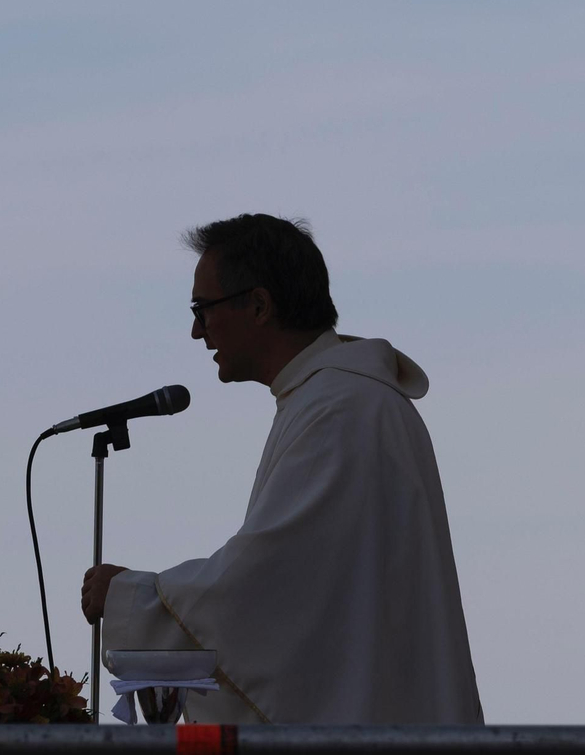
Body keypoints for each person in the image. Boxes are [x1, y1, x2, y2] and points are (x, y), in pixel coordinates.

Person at [81, 213, 481, 724]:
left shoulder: (341, 407)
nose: (196, 331)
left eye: (202, 310)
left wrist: (133, 599)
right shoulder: (332, 397)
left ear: (260, 305)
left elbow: (269, 590)